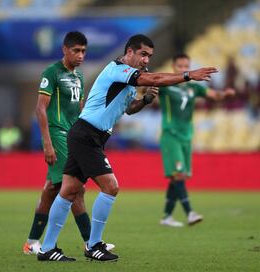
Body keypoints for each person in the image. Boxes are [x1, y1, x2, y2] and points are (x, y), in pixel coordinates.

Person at [37, 34, 218, 262]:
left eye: (149, 56)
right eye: (143, 54)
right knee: (111, 187)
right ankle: (93, 245)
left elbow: (128, 108)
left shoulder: (127, 80)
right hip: (86, 135)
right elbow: (157, 78)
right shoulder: (117, 69)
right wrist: (188, 75)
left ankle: (47, 248)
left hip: (89, 135)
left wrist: (144, 101)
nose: (145, 60)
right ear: (129, 52)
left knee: (69, 191)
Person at [23, 31, 114, 255]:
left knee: (51, 189)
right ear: (65, 50)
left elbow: (81, 109)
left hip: (74, 135)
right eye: (76, 50)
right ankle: (89, 241)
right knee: (75, 188)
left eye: (84, 51)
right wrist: (47, 143)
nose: (81, 55)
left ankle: (31, 242)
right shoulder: (52, 73)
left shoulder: (79, 76)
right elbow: (40, 108)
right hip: (57, 134)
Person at [158, 53, 235, 227]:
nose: (183, 69)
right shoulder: (165, 86)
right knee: (178, 174)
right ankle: (190, 213)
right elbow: (146, 87)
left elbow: (214, 95)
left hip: (187, 136)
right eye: (180, 66)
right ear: (173, 67)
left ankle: (167, 217)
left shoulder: (194, 88)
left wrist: (226, 94)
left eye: (186, 66)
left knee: (179, 176)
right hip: (171, 135)